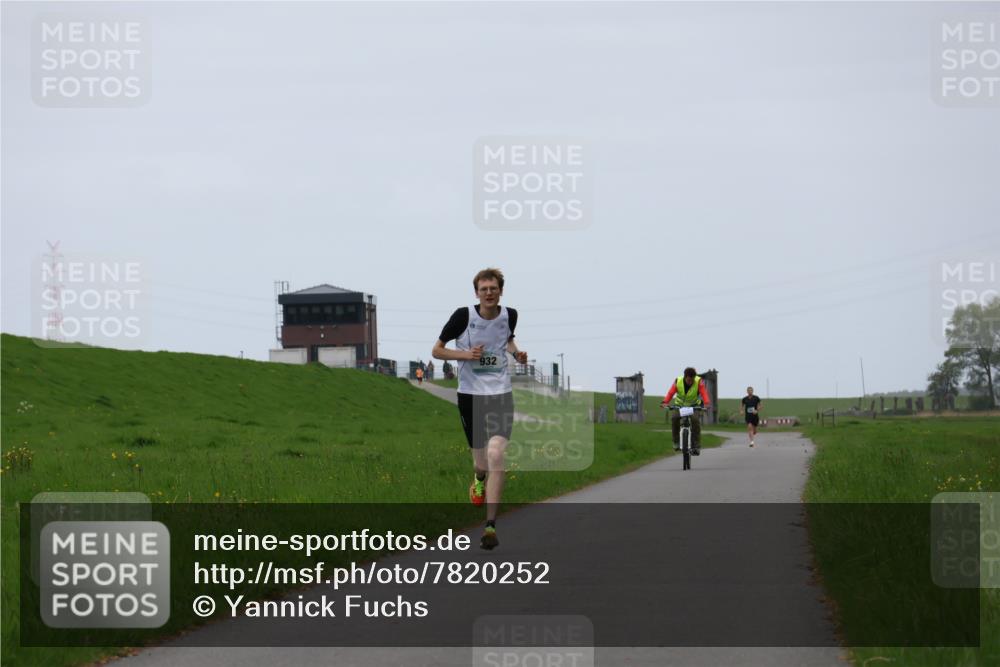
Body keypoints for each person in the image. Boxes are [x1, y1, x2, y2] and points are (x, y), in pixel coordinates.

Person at [432, 268, 527, 550]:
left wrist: (516, 352)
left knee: (497, 453)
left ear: (500, 291)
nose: (489, 293)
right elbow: (437, 350)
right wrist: (465, 355)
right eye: (484, 289)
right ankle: (478, 478)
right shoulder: (463, 316)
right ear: (476, 293)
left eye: (493, 288)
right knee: (481, 462)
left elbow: (507, 339)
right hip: (470, 394)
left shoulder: (510, 314)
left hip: (500, 392)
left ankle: (490, 526)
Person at [660, 367, 711, 455]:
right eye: (688, 380)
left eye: (692, 380)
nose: (690, 382)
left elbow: (703, 393)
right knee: (674, 418)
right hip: (680, 405)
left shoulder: (699, 381)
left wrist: (706, 403)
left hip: (693, 406)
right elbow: (671, 393)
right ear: (685, 377)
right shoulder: (678, 381)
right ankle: (676, 442)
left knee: (695, 421)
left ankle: (696, 446)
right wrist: (665, 402)